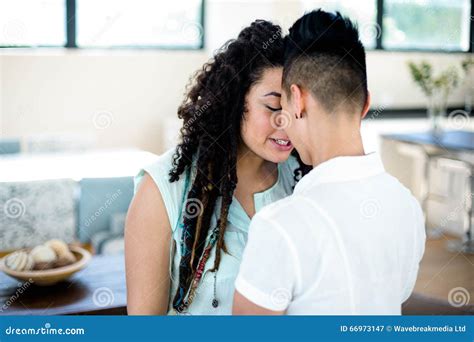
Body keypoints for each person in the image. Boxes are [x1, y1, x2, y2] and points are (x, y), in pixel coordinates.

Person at [233, 9, 426, 315]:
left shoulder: (279, 225)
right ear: (365, 104)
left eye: (280, 104)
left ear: (297, 100)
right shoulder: (408, 207)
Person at [125, 20, 311, 315]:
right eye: (274, 107)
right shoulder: (162, 190)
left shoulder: (303, 180)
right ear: (236, 102)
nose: (285, 123)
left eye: (296, 109)